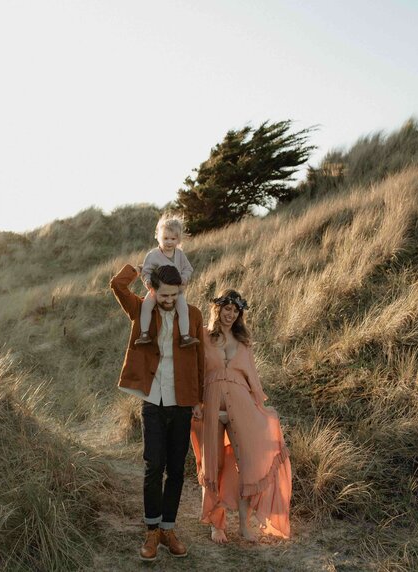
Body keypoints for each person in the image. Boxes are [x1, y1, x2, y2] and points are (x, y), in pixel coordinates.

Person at [110, 263, 205, 561]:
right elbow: (117, 285)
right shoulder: (141, 310)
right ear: (153, 290)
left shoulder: (194, 315)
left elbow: (200, 358)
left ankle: (168, 529)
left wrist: (199, 399)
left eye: (174, 295)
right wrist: (137, 269)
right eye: (164, 295)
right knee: (154, 465)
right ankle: (152, 531)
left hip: (182, 401)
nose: (169, 300)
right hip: (152, 399)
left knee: (176, 469)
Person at [190, 290, 291, 543]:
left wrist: (262, 409)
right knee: (214, 465)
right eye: (227, 308)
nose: (231, 314)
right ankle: (217, 525)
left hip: (242, 406)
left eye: (235, 311)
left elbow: (252, 380)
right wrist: (194, 401)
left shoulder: (243, 342)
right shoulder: (202, 335)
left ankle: (244, 525)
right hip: (211, 407)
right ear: (218, 308)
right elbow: (193, 372)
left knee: (247, 464)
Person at [135, 214, 199, 348]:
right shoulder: (152, 255)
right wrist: (147, 281)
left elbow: (188, 268)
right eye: (165, 238)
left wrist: (184, 277)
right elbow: (146, 271)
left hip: (176, 290)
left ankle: (185, 336)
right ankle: (144, 334)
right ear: (158, 237)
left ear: (178, 239)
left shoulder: (180, 254)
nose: (169, 242)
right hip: (156, 290)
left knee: (183, 309)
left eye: (173, 238)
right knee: (146, 306)